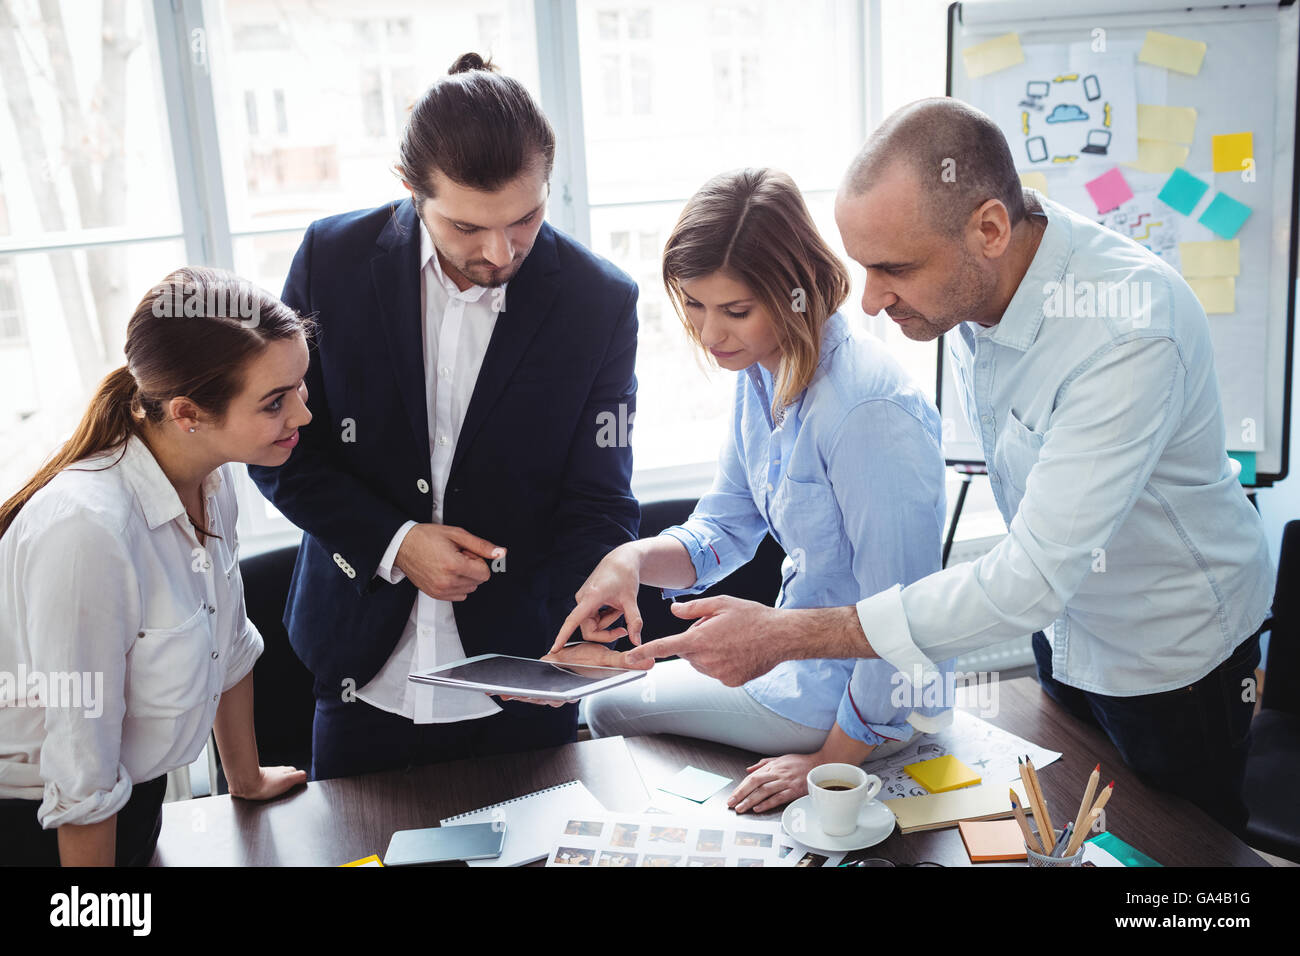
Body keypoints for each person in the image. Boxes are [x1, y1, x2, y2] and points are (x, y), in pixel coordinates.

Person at [618, 98, 1272, 837]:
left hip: (1171, 655)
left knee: (1185, 855)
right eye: (864, 266)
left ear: (990, 230)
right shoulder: (977, 279)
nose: (869, 301)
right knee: (1075, 836)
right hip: (1065, 632)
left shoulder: (1126, 332)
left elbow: (1027, 580)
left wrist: (788, 635)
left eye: (894, 269)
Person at [246, 53, 641, 780]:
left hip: (527, 678)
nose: (501, 251)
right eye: (467, 226)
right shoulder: (332, 260)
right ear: (410, 189)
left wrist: (588, 610)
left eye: (526, 218)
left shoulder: (600, 301)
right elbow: (278, 449)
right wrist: (396, 543)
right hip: (359, 671)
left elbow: (600, 496)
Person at [550, 168, 954, 814]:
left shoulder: (865, 412)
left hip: (868, 700)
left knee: (604, 706)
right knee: (604, 698)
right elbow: (723, 530)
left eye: (735, 311)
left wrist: (828, 764)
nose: (710, 335)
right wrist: (630, 559)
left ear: (796, 292)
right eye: (694, 305)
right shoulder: (763, 372)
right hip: (801, 670)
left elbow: (902, 626)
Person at [0, 267, 310, 866]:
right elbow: (82, 764)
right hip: (44, 831)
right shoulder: (87, 530)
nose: (303, 415)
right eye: (276, 402)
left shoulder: (211, 477)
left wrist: (246, 779)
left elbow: (229, 643)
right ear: (188, 412)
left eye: (300, 387)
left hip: (136, 807)